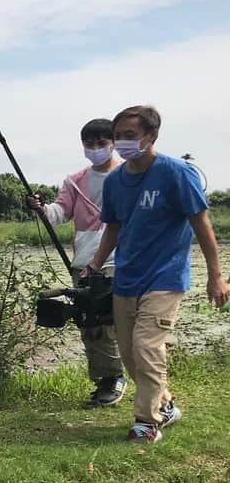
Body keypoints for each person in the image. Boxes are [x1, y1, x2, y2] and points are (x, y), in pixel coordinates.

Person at [87, 105, 229, 444]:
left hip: (165, 278)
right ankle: (164, 405)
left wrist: (216, 276)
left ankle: (146, 423)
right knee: (129, 354)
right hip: (126, 278)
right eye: (118, 136)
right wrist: (95, 264)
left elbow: (202, 224)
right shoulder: (116, 182)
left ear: (151, 136)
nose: (122, 142)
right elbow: (113, 228)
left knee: (147, 347)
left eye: (130, 136)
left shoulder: (177, 173)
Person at [26, 118, 127, 407]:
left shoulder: (128, 175)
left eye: (101, 143)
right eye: (89, 144)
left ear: (113, 144)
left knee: (121, 321)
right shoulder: (75, 181)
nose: (95, 148)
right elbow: (59, 213)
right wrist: (41, 209)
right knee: (91, 322)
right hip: (85, 262)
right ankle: (107, 379)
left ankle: (124, 376)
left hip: (121, 259)